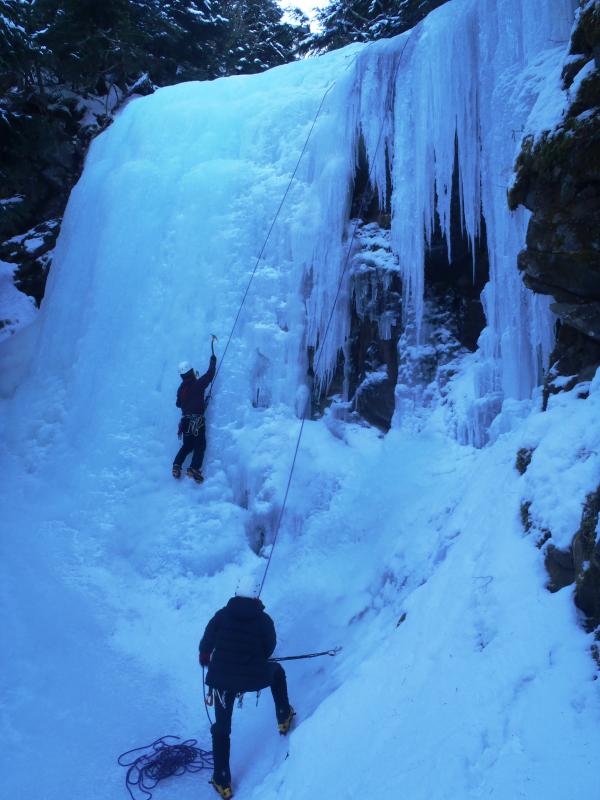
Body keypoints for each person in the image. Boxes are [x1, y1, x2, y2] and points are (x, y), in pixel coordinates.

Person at [199, 578, 295, 799]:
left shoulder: (221, 615)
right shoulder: (263, 620)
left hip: (222, 682)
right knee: (277, 673)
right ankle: (283, 716)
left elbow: (207, 642)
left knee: (222, 728)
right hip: (253, 677)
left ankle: (222, 779)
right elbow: (269, 649)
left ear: (236, 592)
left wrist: (205, 656)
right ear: (255, 596)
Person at [172, 353, 216, 482]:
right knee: (199, 445)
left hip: (185, 421)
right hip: (197, 420)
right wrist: (213, 360)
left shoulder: (180, 390)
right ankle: (194, 468)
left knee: (187, 446)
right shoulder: (198, 384)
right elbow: (210, 375)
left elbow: (178, 403)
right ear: (191, 371)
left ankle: (176, 465)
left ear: (181, 375)